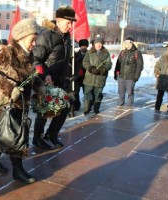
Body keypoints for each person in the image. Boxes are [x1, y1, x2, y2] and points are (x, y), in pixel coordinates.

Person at [0, 18, 40, 183]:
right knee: (12, 135)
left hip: (18, 103)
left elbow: (30, 78)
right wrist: (9, 88)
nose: (34, 43)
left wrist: (42, 88)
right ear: (21, 37)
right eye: (32, 40)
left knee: (7, 134)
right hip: (0, 103)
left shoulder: (29, 55)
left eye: (36, 39)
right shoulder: (8, 51)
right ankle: (18, 171)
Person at [31, 6, 76, 149]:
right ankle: (37, 138)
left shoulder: (67, 38)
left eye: (71, 23)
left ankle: (52, 134)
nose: (70, 26)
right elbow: (35, 59)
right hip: (46, 81)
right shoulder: (46, 36)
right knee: (45, 111)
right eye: (67, 23)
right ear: (58, 21)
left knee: (65, 108)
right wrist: (44, 74)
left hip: (61, 80)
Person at [83, 37, 112, 115]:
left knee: (98, 94)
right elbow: (85, 62)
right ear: (94, 44)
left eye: (100, 43)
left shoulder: (106, 53)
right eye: (97, 43)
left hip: (100, 78)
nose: (99, 45)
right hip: (89, 77)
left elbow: (109, 64)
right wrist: (91, 68)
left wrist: (101, 69)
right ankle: (86, 109)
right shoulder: (89, 52)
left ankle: (96, 109)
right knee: (87, 93)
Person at [114, 37, 143, 106]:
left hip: (130, 77)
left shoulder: (137, 53)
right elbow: (118, 64)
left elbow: (140, 66)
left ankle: (129, 108)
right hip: (121, 76)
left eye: (129, 43)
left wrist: (136, 77)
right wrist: (115, 73)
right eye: (126, 43)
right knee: (121, 93)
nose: (127, 45)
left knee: (130, 93)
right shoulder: (122, 52)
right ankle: (120, 106)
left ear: (132, 43)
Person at [69, 39, 89, 117]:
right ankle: (77, 105)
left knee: (86, 92)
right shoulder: (76, 55)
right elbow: (72, 64)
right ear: (80, 46)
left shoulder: (89, 54)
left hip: (86, 77)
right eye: (82, 46)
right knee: (76, 92)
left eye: (85, 46)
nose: (83, 47)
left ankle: (87, 107)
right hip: (77, 77)